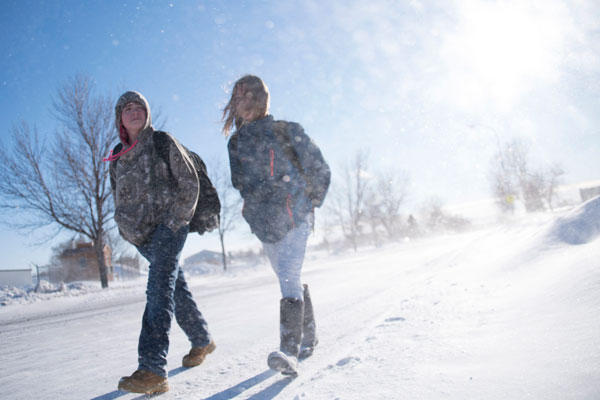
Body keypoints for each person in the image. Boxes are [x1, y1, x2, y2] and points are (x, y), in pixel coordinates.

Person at [107, 91, 215, 394]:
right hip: (142, 236)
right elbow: (117, 198)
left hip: (170, 227)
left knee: (158, 289)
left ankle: (153, 369)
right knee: (173, 287)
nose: (134, 110)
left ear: (147, 113)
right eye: (127, 108)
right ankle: (202, 339)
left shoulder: (162, 141)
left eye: (139, 106)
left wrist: (176, 219)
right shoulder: (116, 156)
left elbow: (189, 180)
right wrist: (126, 230)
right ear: (120, 119)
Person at [223, 75, 330, 375]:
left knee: (288, 275)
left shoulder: (286, 131)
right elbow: (239, 182)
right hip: (264, 221)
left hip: (296, 215)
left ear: (261, 98)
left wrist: (309, 202)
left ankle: (289, 352)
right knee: (288, 278)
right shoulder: (236, 142)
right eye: (237, 97)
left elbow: (320, 168)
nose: (241, 103)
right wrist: (256, 204)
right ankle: (309, 336)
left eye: (247, 96)